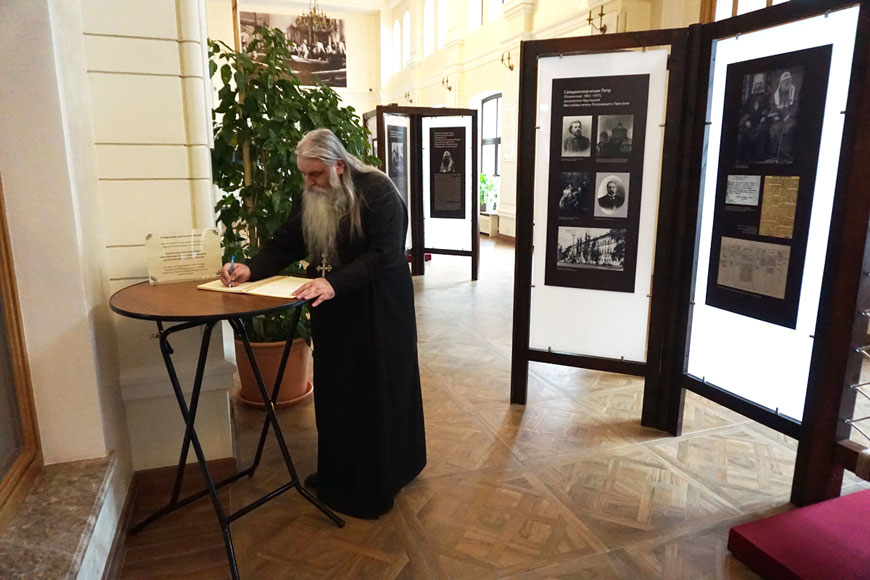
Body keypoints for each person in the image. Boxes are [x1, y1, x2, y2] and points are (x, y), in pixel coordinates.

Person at [220, 128, 426, 519]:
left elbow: (384, 254)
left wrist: (334, 283)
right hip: (332, 307)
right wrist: (250, 268)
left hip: (378, 310)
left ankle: (381, 478)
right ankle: (339, 473)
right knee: (337, 391)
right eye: (304, 174)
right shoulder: (312, 195)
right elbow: (287, 242)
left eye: (315, 174)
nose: (309, 182)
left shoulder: (378, 191)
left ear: (339, 166)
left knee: (376, 390)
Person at [736, 73, 770, 164]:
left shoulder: (766, 96)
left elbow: (768, 108)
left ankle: (759, 155)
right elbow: (745, 110)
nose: (758, 86)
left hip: (761, 122)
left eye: (760, 84)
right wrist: (746, 121)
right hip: (750, 122)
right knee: (745, 132)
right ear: (754, 85)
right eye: (757, 84)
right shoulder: (750, 98)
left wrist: (764, 117)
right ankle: (746, 157)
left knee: (762, 130)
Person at [768, 70, 797, 163]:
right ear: (781, 82)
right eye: (785, 81)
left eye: (788, 81)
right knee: (774, 129)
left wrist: (789, 115)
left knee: (786, 129)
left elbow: (795, 105)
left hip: (790, 118)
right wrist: (775, 116)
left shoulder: (793, 92)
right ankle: (776, 154)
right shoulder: (777, 94)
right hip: (779, 119)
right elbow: (773, 106)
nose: (787, 83)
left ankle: (785, 155)